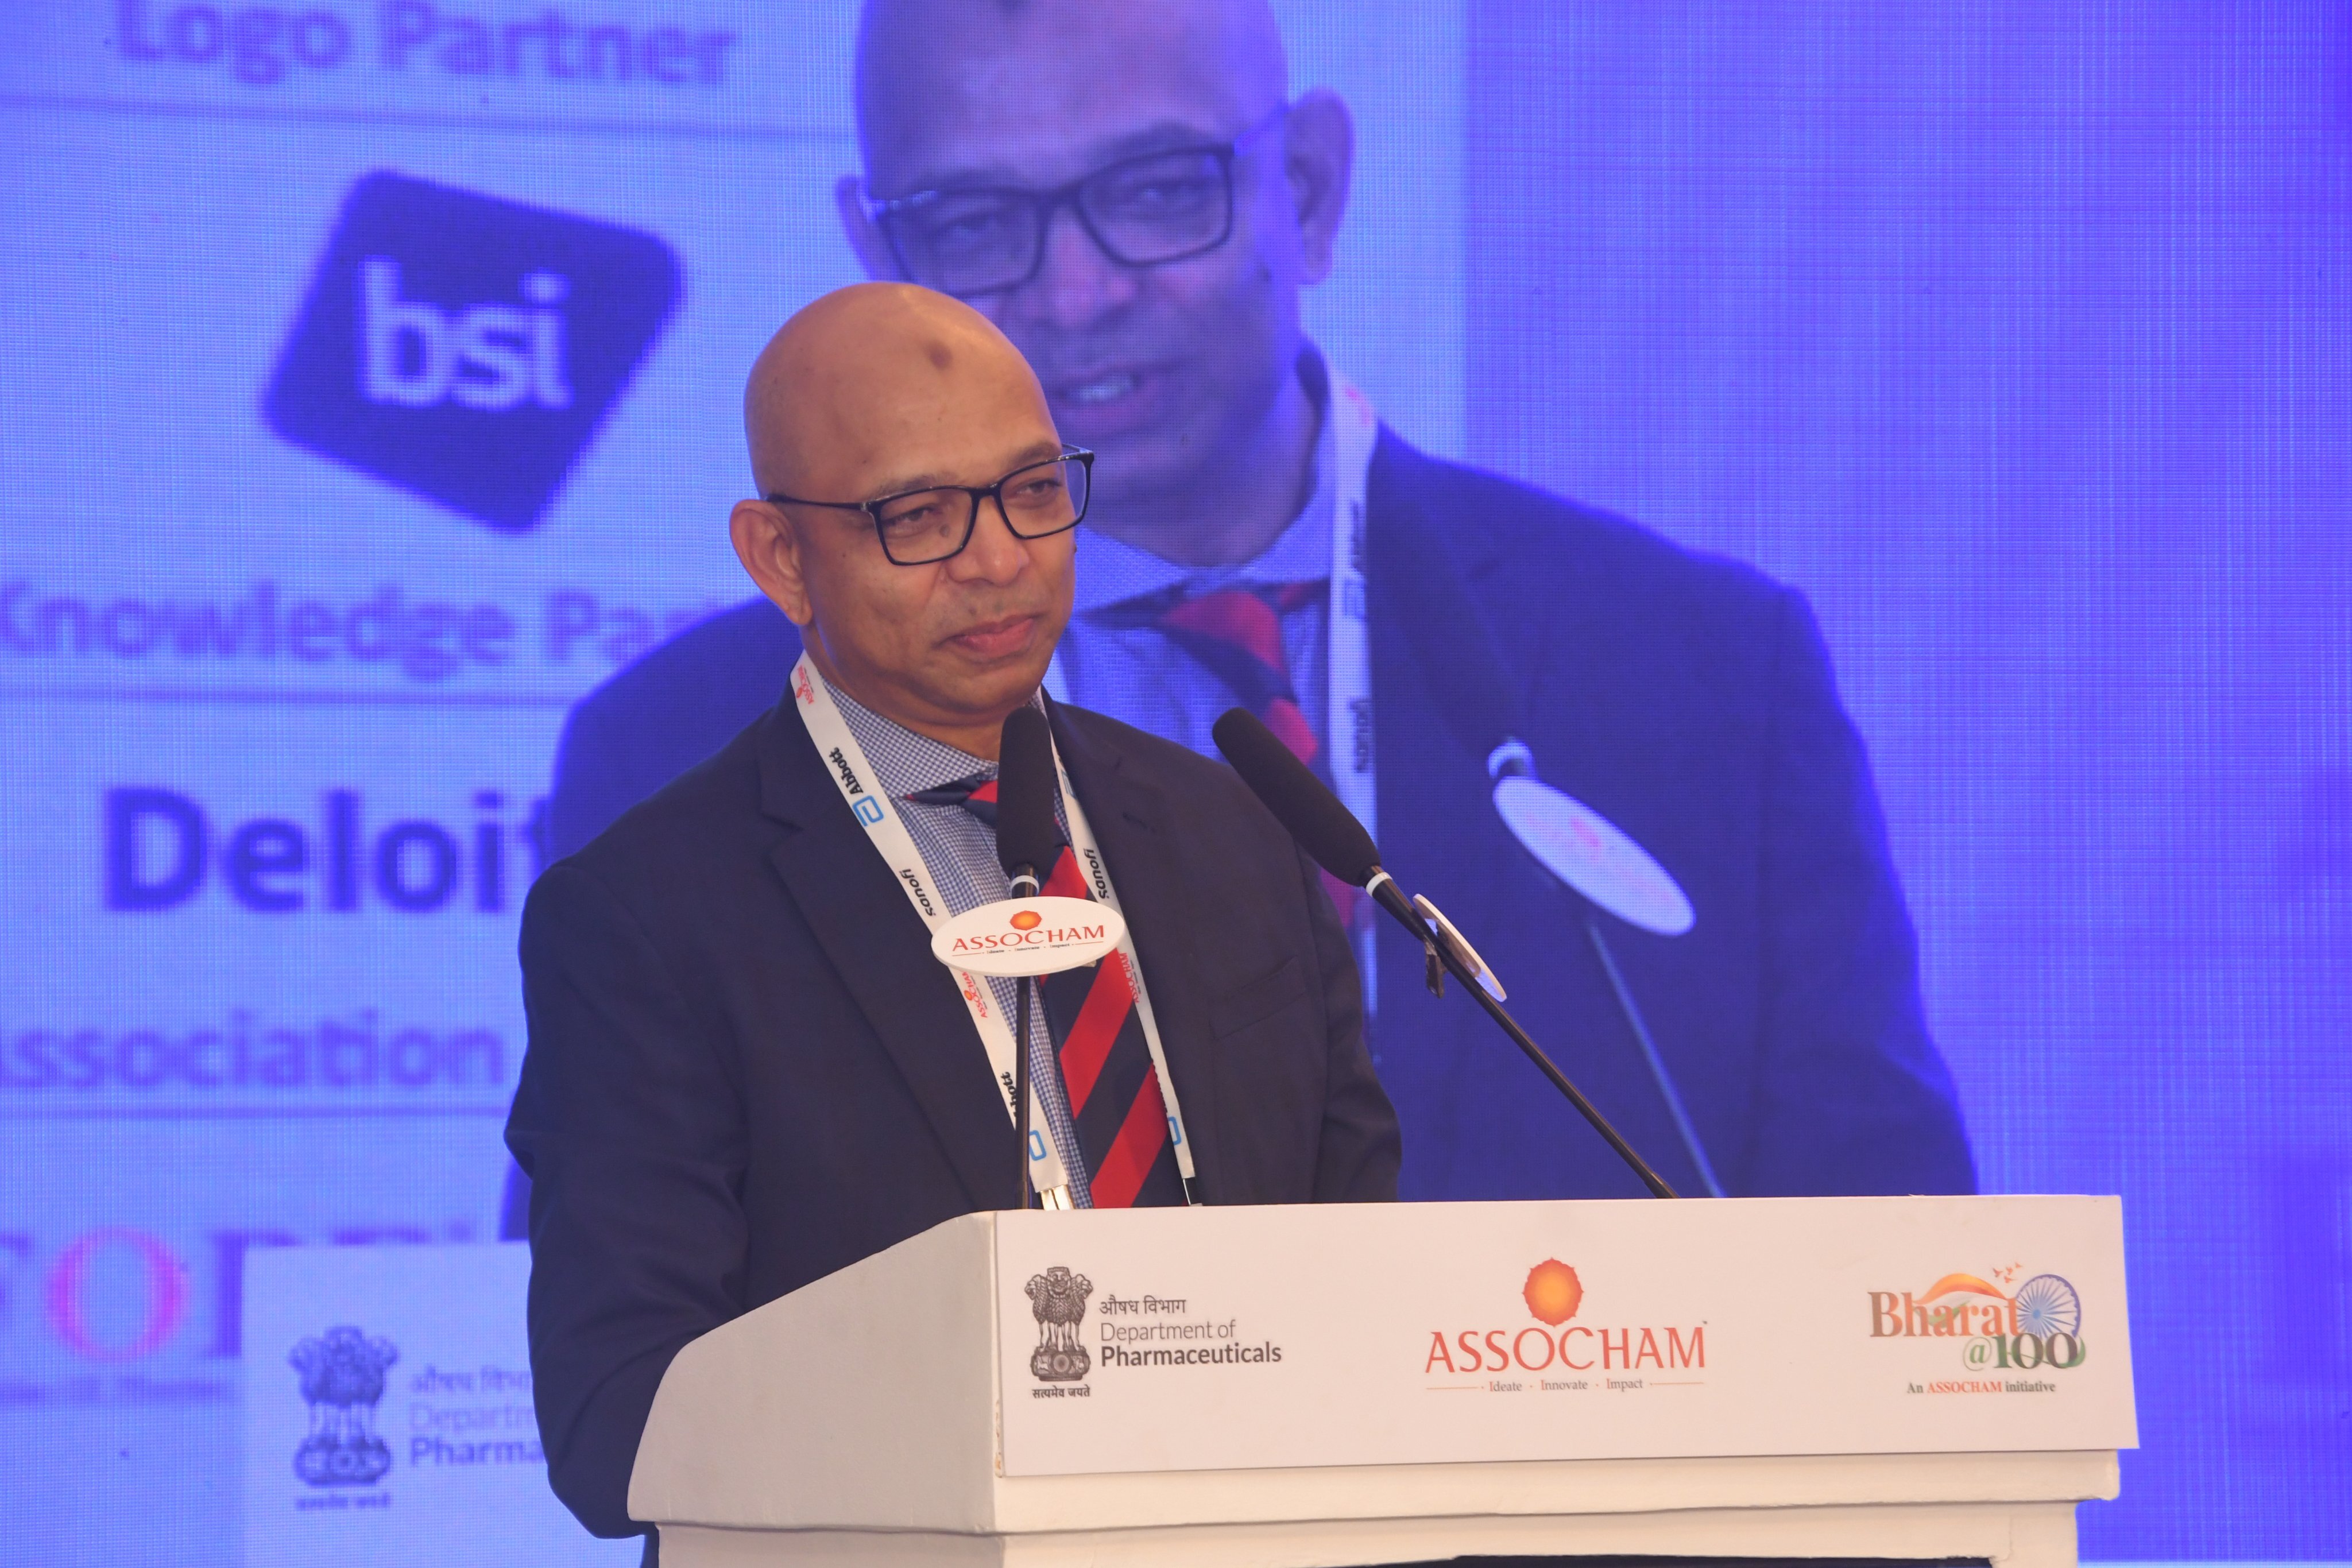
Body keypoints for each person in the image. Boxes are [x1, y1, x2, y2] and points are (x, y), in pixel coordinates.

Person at [515, 0, 1971, 1225]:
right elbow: (628, 1348)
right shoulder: (680, 750)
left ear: (1312, 189)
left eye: (1156, 189)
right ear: (883, 255)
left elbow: (1899, 1294)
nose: (1074, 293)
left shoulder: (1698, 678)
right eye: (973, 222)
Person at [505, 282, 1399, 1553]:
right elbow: (617, 1421)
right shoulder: (649, 916)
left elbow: (1359, 1263)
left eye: (1033, 490)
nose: (999, 559)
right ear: (779, 557)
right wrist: (1009, 1415)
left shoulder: (1237, 832)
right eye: (919, 517)